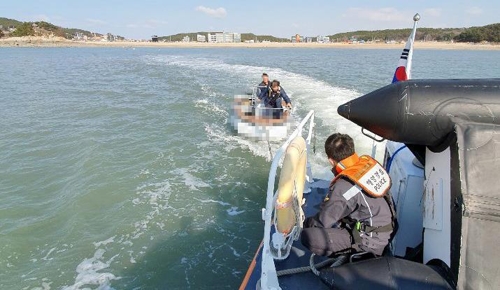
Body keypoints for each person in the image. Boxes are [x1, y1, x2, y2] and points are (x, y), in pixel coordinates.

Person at [301, 133, 395, 257]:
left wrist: (303, 223)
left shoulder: (344, 186)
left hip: (371, 242)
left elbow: (323, 222)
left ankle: (359, 259)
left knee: (309, 237)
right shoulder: (367, 165)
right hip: (388, 229)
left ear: (330, 160)